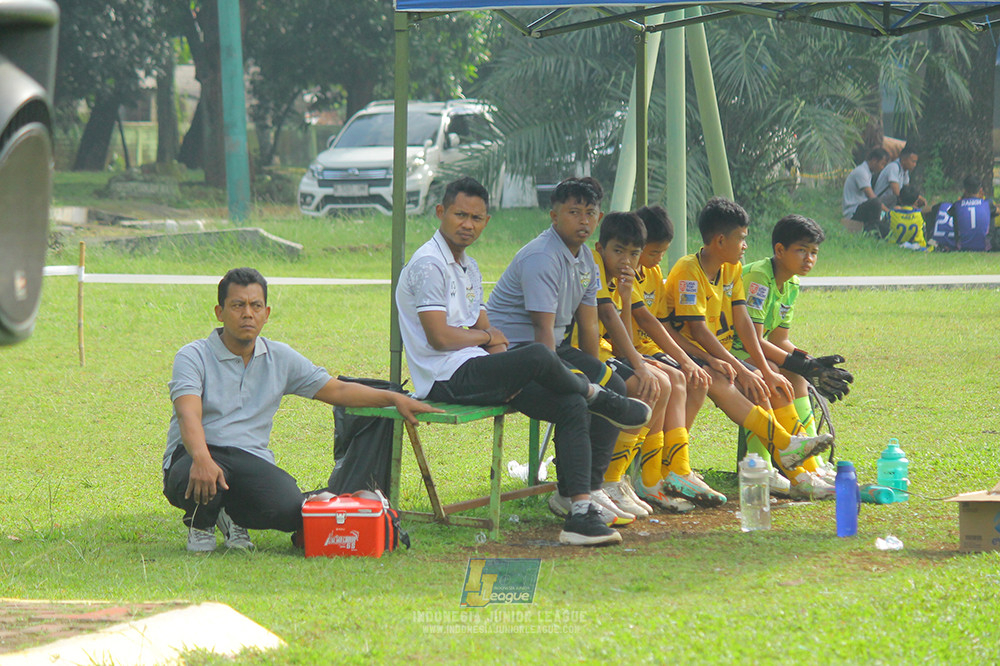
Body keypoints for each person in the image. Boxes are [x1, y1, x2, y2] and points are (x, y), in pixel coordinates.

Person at [397, 177, 650, 546]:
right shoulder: (428, 264)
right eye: (460, 215)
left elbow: (486, 328)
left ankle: (579, 512)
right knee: (538, 353)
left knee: (570, 403)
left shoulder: (468, 265)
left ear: (486, 221)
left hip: (479, 368)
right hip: (444, 377)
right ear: (441, 212)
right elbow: (441, 337)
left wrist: (506, 366)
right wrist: (488, 340)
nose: (468, 225)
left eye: (476, 218)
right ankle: (599, 396)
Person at [163, 267, 440, 552]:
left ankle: (231, 515)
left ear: (266, 313)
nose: (248, 314)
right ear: (219, 312)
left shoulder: (279, 357)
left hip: (249, 459)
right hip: (195, 453)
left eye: (255, 306)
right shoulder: (193, 356)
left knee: (289, 510)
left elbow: (337, 390)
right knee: (196, 473)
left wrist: (393, 399)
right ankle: (201, 525)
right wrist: (202, 457)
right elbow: (188, 414)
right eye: (237, 305)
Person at [487, 177, 651, 529]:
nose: (583, 220)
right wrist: (568, 381)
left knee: (614, 386)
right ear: (554, 216)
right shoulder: (542, 257)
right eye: (574, 212)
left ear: (599, 217)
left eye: (590, 213)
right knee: (575, 398)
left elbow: (590, 327)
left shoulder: (586, 260)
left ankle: (592, 487)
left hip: (553, 347)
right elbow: (542, 332)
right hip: (515, 354)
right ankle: (569, 493)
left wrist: (595, 372)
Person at [662, 197, 835, 498]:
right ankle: (786, 455)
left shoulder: (732, 269)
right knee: (741, 382)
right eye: (741, 238)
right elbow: (699, 331)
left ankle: (799, 472)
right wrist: (741, 369)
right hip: (686, 352)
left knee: (769, 384)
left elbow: (743, 321)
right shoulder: (689, 270)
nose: (746, 245)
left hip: (716, 355)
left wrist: (766, 369)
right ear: (720, 241)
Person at [595, 205, 723, 512]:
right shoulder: (597, 268)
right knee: (661, 382)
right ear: (601, 248)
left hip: (625, 351)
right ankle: (623, 478)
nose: (627, 260)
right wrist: (642, 363)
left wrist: (626, 296)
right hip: (601, 354)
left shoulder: (639, 274)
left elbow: (644, 325)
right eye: (619, 251)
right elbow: (628, 330)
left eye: (634, 254)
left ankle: (667, 469)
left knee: (684, 379)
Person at [731, 214, 855, 499]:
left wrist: (810, 363)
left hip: (752, 352)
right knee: (768, 375)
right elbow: (754, 340)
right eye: (801, 250)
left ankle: (812, 463)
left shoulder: (792, 283)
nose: (809, 258)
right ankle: (760, 465)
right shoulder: (759, 277)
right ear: (779, 250)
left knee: (796, 378)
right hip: (729, 351)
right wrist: (803, 364)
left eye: (814, 252)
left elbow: (780, 340)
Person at [929, 175, 999, 252]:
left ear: (964, 190)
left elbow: (949, 213)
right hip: (984, 248)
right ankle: (988, 244)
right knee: (992, 213)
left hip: (963, 247)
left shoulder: (957, 205)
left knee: (957, 215)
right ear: (980, 190)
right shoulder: (987, 203)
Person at [841, 147, 889, 234]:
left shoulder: (868, 172)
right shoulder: (861, 172)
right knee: (875, 203)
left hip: (860, 206)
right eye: (882, 164)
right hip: (853, 211)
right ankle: (874, 228)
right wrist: (888, 212)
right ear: (874, 160)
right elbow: (871, 196)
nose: (882, 168)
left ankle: (877, 226)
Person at [874, 145, 925, 209]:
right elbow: (896, 192)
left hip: (892, 200)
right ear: (903, 160)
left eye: (915, 162)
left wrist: (918, 198)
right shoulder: (894, 167)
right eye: (913, 162)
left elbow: (907, 190)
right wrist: (910, 204)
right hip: (882, 201)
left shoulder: (905, 171)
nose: (914, 165)